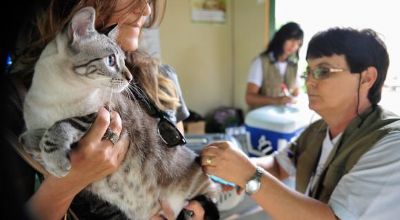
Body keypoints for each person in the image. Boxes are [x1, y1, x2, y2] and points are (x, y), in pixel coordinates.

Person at [0, 0, 212, 219]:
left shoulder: (163, 80)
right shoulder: (16, 101)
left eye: (149, 0)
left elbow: (182, 177)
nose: (146, 10)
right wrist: (67, 183)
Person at [201, 27, 400, 219]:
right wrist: (231, 166)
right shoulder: (317, 131)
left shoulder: (390, 143)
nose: (309, 82)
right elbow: (279, 165)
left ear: (366, 78)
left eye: (323, 71)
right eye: (308, 72)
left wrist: (247, 175)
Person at [245, 22, 303, 109]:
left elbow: (296, 93)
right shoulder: (261, 62)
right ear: (281, 38)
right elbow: (249, 98)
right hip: (261, 118)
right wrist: (276, 100)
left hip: (283, 118)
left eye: (298, 43)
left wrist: (292, 99)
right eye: (291, 40)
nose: (294, 45)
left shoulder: (293, 66)